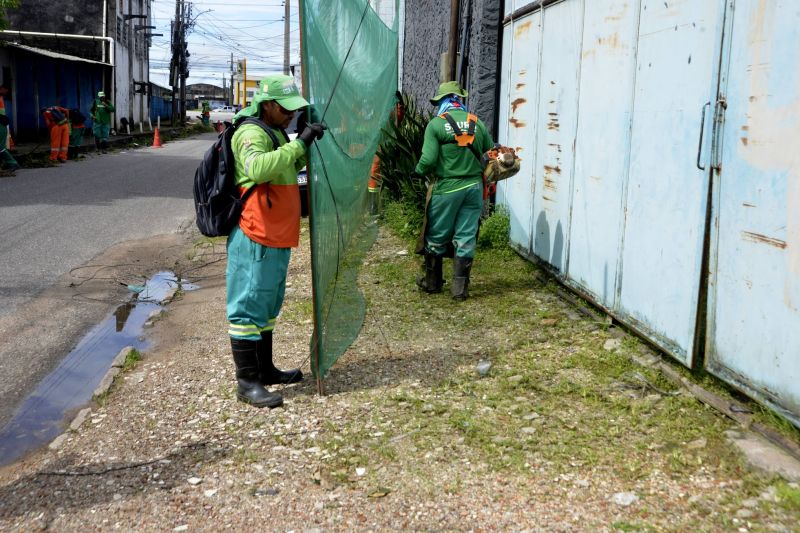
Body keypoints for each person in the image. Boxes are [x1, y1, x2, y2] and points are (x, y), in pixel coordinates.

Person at [226, 74, 326, 408]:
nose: (291, 115)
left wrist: (303, 145)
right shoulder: (250, 132)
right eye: (286, 109)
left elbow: (286, 167)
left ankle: (265, 369)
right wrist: (299, 144)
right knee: (247, 307)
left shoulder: (276, 131)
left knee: (267, 307)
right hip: (255, 235)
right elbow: (258, 168)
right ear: (268, 104)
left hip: (277, 235)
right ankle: (247, 383)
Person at [413, 81, 493, 300]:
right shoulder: (477, 123)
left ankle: (433, 282)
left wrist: (418, 171)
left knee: (437, 234)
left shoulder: (436, 125)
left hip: (447, 188)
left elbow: (428, 160)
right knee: (466, 235)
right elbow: (491, 153)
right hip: (474, 188)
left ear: (442, 101)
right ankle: (460, 289)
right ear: (460, 100)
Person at [0, 86, 19, 171]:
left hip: (1, 124)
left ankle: (12, 163)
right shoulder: (1, 98)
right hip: (2, 123)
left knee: (0, 147)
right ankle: (5, 163)